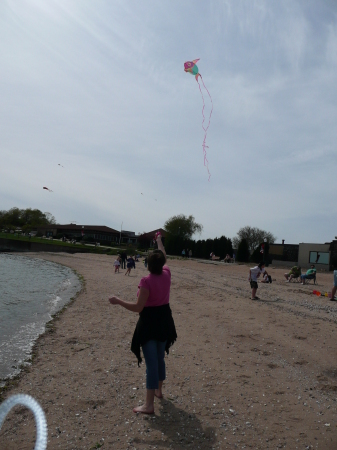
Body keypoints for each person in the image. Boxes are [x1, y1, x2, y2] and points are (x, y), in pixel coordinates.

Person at [109, 234, 177, 415]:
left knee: (151, 363)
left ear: (147, 264)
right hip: (164, 320)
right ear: (162, 264)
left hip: (149, 322)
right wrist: (159, 240)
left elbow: (139, 308)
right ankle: (159, 392)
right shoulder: (167, 274)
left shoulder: (146, 281)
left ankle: (148, 405)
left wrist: (118, 301)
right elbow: (163, 254)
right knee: (160, 358)